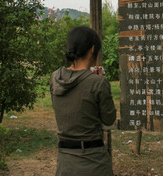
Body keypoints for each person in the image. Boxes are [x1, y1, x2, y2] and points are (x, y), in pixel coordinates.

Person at [50, 26, 117, 176]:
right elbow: (109, 119)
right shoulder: (98, 83)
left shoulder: (55, 78)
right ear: (93, 50)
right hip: (94, 162)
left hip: (64, 162)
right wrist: (101, 83)